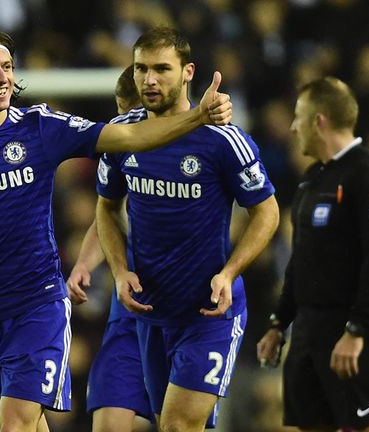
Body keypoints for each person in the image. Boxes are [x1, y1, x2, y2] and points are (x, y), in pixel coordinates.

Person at [0, 28, 232, 432]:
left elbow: (127, 135)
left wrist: (198, 116)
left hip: (37, 305)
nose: (2, 77)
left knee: (15, 424)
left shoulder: (40, 127)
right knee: (25, 424)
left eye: (7, 67)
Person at [95, 27, 279, 432]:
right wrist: (120, 270)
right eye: (141, 68)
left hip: (209, 312)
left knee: (178, 425)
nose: (150, 79)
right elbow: (105, 210)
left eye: (162, 68)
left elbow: (267, 212)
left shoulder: (222, 141)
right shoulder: (122, 137)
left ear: (188, 73)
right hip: (152, 311)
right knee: (173, 424)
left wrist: (230, 272)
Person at [257, 77, 369, 432]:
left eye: (298, 117)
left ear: (319, 121)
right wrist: (279, 323)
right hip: (307, 331)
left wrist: (357, 331)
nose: (292, 127)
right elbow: (300, 261)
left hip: (349, 330)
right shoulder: (311, 179)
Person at [67, 65, 154, 432]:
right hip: (127, 310)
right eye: (119, 111)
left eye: (128, 111)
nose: (121, 122)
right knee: (108, 420)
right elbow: (108, 214)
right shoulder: (119, 155)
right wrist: (85, 264)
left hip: (182, 311)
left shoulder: (196, 151)